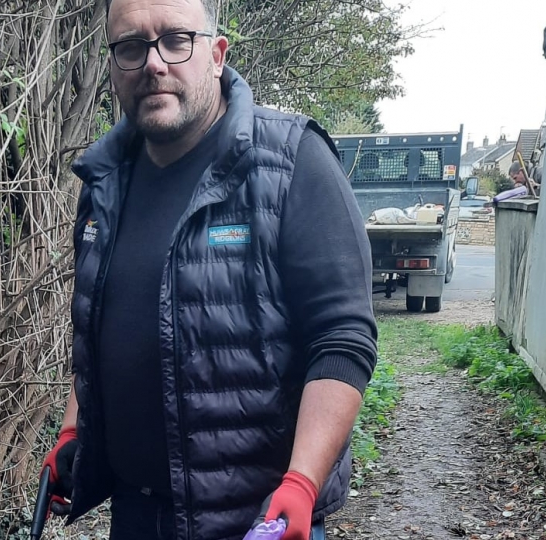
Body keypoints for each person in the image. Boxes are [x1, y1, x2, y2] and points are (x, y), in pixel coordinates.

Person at [41, 0, 378, 539]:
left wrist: (303, 481)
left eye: (176, 40)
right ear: (112, 66)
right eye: (130, 46)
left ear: (216, 54)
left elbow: (343, 339)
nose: (153, 63)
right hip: (136, 516)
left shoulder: (291, 161)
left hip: (259, 520)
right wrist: (71, 428)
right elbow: (102, 329)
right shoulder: (103, 182)